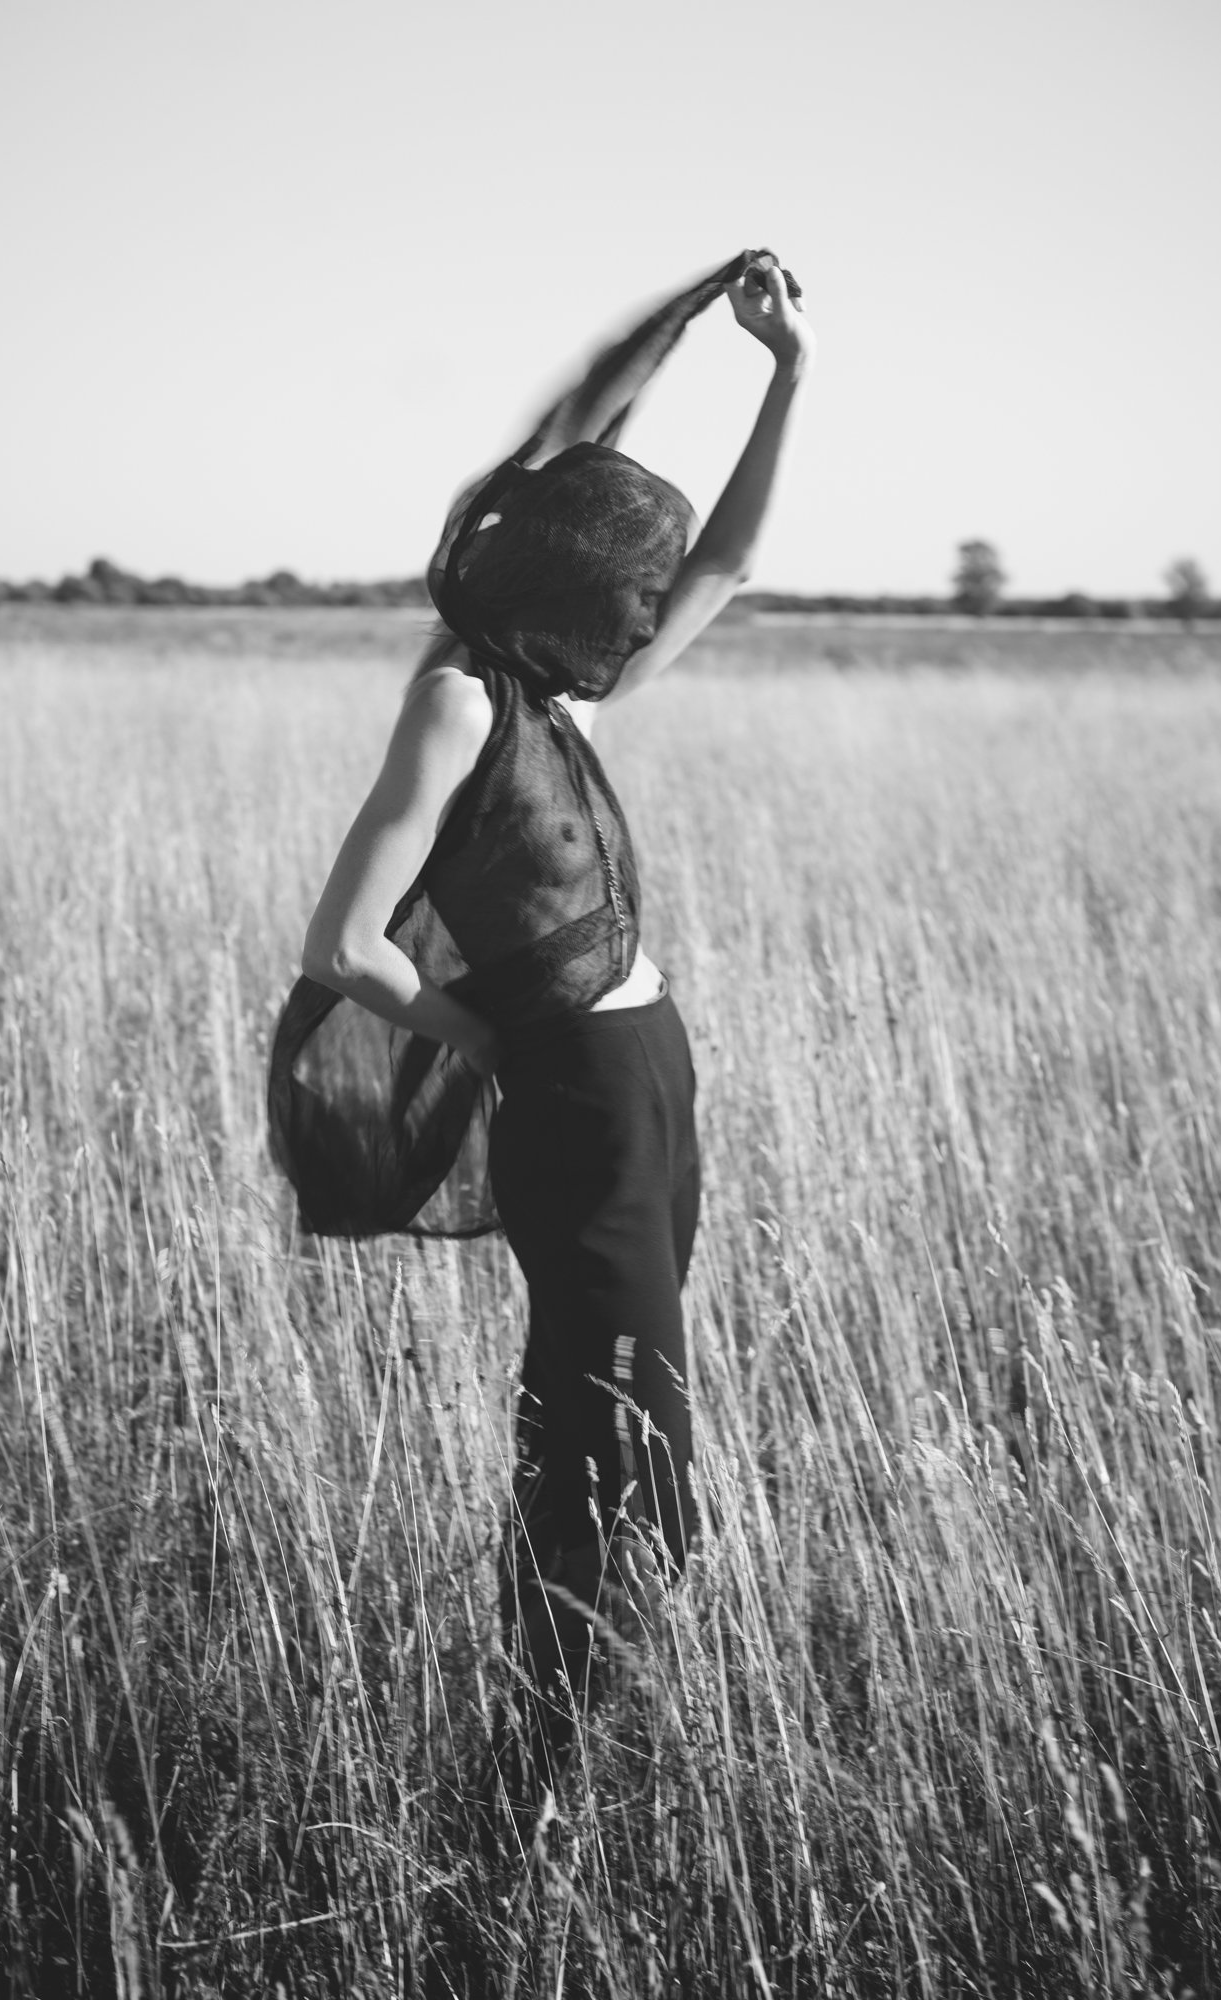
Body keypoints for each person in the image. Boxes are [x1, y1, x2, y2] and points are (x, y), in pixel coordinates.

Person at [279, 248, 814, 1820]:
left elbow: (726, 561)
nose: (648, 602)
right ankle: (551, 1751)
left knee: (624, 1391)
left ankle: (574, 1725)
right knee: (611, 1404)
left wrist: (781, 372)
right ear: (567, 580)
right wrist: (494, 1044)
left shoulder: (570, 694)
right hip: (573, 1085)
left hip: (649, 1077)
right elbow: (342, 946)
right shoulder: (461, 703)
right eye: (626, 580)